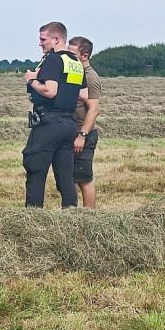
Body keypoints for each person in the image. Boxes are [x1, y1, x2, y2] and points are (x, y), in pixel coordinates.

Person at [23, 22, 86, 208]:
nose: (40, 43)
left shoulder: (52, 59)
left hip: (49, 123)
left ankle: (33, 218)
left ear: (56, 39)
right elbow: (84, 95)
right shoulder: (75, 62)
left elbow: (50, 91)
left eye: (43, 39)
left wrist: (31, 80)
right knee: (65, 175)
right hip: (69, 125)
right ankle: (71, 215)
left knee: (35, 169)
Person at [68, 36, 101, 208]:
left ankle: (90, 219)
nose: (67, 56)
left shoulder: (90, 77)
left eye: (72, 53)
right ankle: (72, 215)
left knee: (84, 179)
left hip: (83, 134)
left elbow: (93, 110)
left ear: (85, 56)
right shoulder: (75, 73)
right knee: (70, 178)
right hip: (71, 131)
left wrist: (82, 135)